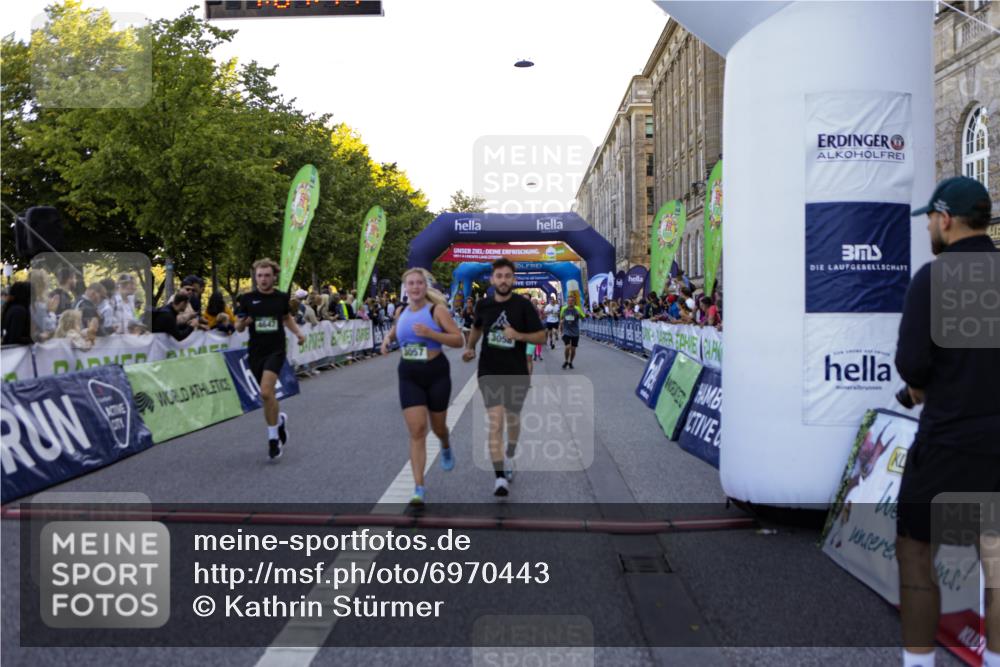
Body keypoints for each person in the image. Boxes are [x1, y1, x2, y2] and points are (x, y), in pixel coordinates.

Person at [894, 176, 1000, 667]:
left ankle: (918, 663)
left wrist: (924, 385)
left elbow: (913, 368)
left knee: (917, 555)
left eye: (932, 221)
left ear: (945, 220)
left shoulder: (933, 279)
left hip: (948, 445)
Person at [462, 258, 546, 497]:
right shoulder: (484, 305)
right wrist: (470, 348)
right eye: (499, 276)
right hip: (489, 370)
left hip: (516, 371)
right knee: (495, 422)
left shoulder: (523, 306)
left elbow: (540, 336)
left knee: (512, 420)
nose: (503, 280)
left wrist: (518, 335)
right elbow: (477, 328)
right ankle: (499, 477)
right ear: (492, 279)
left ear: (513, 279)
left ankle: (510, 452)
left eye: (508, 276)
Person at [381, 267, 464, 505]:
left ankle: (445, 443)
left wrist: (431, 333)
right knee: (417, 430)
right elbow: (397, 331)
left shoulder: (436, 311)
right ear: (405, 288)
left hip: (436, 373)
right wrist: (387, 340)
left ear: (425, 287)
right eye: (411, 283)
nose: (415, 287)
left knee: (438, 428)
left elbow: (458, 340)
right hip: (409, 374)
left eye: (419, 283)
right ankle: (418, 487)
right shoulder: (401, 311)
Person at [235, 258, 306, 461]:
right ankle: (280, 421)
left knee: (266, 392)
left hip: (275, 350)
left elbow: (286, 318)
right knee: (268, 397)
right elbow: (238, 327)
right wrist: (244, 323)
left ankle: (273, 439)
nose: (263, 279)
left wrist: (298, 333)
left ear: (273, 276)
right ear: (255, 277)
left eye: (267, 275)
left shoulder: (281, 298)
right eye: (259, 275)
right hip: (256, 352)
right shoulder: (247, 299)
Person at [558, 292, 586, 370]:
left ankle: (570, 362)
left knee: (573, 349)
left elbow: (583, 318)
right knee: (567, 347)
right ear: (567, 301)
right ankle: (566, 360)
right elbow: (561, 319)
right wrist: (560, 328)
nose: (570, 302)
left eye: (572, 301)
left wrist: (581, 316)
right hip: (566, 331)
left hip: (575, 331)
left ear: (574, 302)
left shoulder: (577, 308)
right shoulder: (564, 308)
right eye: (569, 301)